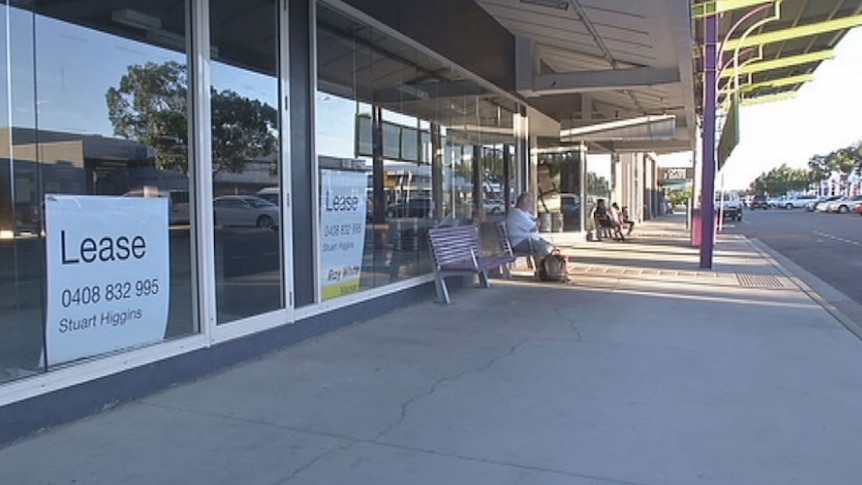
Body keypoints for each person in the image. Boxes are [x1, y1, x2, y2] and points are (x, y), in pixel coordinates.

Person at [506, 192, 555, 266]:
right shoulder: (517, 213)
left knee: (550, 246)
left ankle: (547, 269)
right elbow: (533, 228)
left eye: (531, 202)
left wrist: (537, 222)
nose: (530, 204)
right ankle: (542, 269)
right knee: (543, 248)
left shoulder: (524, 213)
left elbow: (536, 220)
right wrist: (537, 223)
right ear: (521, 202)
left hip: (529, 240)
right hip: (520, 243)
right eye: (528, 201)